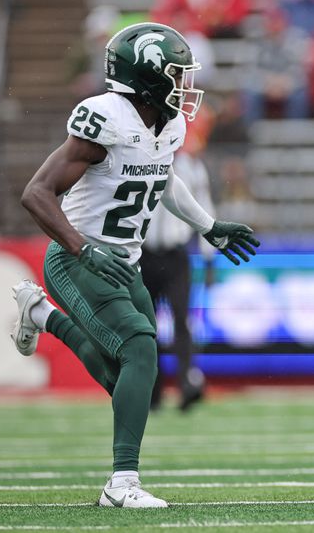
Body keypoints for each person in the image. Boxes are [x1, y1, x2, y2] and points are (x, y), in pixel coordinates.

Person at [9, 22, 260, 508]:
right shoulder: (106, 119)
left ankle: (40, 316)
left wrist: (208, 226)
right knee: (141, 349)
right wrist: (82, 248)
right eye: (176, 74)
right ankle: (121, 485)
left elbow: (163, 180)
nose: (186, 86)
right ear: (146, 77)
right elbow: (36, 193)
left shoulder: (167, 123)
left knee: (125, 376)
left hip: (126, 262)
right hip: (76, 257)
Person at [142, 117, 216, 412]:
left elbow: (205, 208)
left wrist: (209, 257)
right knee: (147, 326)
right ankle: (153, 389)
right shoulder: (139, 158)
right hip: (143, 254)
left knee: (182, 321)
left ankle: (187, 383)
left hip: (175, 255)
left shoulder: (191, 167)